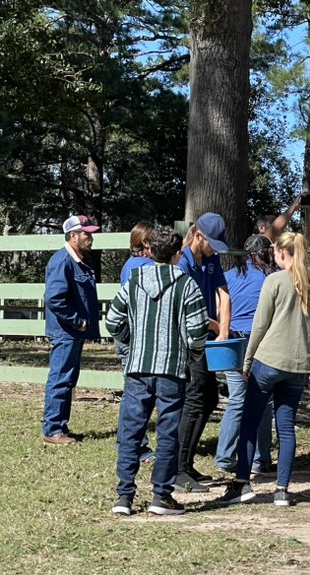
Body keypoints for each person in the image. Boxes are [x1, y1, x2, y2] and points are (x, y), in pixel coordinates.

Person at [105, 227, 210, 516]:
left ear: (150, 251)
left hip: (137, 367)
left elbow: (113, 322)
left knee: (131, 430)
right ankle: (160, 496)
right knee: (168, 433)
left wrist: (131, 341)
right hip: (172, 369)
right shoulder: (187, 285)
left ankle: (123, 497)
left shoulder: (134, 280)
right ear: (177, 254)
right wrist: (193, 354)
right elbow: (198, 330)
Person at [218, 232, 310, 506]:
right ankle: (282, 489)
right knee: (287, 427)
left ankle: (242, 483)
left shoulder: (274, 281)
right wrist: (308, 359)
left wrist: (247, 359)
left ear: (281, 253)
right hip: (299, 365)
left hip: (269, 361)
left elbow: (260, 325)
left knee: (250, 421)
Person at [175, 213, 231, 492]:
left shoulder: (211, 259)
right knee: (194, 400)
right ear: (198, 236)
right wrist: (217, 325)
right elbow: (189, 309)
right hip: (187, 342)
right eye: (211, 244)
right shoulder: (183, 261)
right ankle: (178, 468)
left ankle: (187, 463)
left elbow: (224, 293)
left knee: (208, 399)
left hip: (206, 340)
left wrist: (223, 332)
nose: (214, 250)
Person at [215, 235, 275, 477]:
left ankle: (225, 456)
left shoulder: (228, 277)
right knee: (263, 398)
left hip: (232, 340)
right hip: (258, 341)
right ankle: (261, 458)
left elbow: (219, 309)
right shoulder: (270, 278)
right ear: (264, 253)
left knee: (237, 398)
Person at [41, 214, 102, 444]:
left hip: (71, 331)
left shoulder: (77, 260)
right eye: (86, 233)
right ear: (73, 235)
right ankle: (53, 430)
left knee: (68, 378)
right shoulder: (62, 261)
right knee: (61, 378)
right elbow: (54, 298)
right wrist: (77, 321)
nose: (91, 237)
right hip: (65, 331)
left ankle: (60, 427)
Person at [117, 221, 157, 463]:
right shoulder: (144, 267)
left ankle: (128, 443)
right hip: (135, 338)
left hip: (129, 336)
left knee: (134, 394)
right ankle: (137, 447)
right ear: (145, 243)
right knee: (138, 396)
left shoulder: (131, 265)